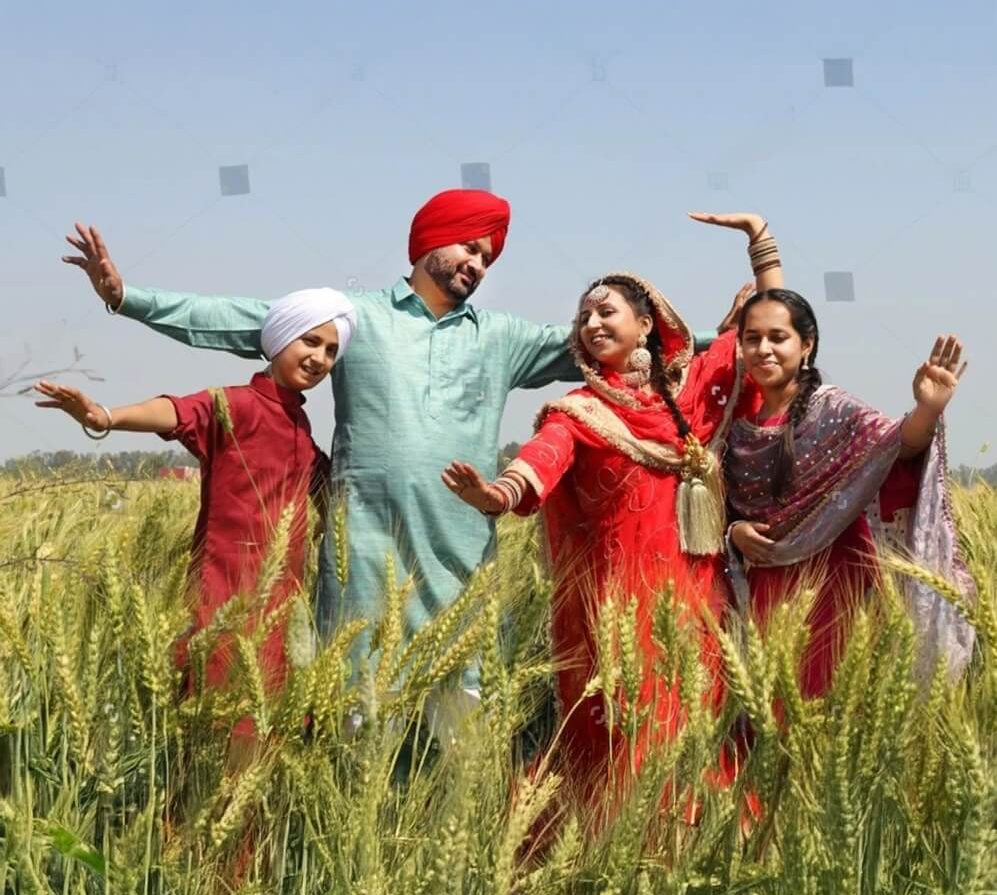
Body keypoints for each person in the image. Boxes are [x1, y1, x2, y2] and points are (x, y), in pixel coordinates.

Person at [61, 194, 736, 715]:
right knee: (358, 715)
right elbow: (245, 319)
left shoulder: (503, 337)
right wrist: (128, 299)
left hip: (460, 553)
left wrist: (735, 334)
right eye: (467, 247)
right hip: (365, 548)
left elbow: (618, 341)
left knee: (461, 718)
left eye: (486, 257)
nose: (476, 262)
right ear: (428, 244)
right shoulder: (355, 317)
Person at [442, 212, 782, 801]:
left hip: (695, 598)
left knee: (696, 725)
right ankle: (618, 846)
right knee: (626, 736)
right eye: (584, 317)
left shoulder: (694, 392)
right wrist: (497, 494)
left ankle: (695, 844)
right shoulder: (578, 411)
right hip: (616, 607)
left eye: (606, 312)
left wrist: (761, 246)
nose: (592, 323)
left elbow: (772, 327)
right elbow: (542, 459)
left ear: (647, 324)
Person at [34, 288, 357, 731]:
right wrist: (107, 417)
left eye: (331, 350)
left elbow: (322, 480)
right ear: (279, 338)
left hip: (283, 602)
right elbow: (176, 412)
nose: (320, 357)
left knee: (267, 728)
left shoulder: (300, 423)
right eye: (310, 341)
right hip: (223, 592)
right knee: (214, 720)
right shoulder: (236, 405)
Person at [724, 289, 976, 696]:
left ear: (806, 345)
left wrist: (927, 409)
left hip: (837, 585)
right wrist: (734, 532)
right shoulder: (736, 430)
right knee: (770, 719)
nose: (763, 349)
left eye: (777, 337)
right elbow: (723, 511)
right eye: (752, 338)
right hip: (766, 589)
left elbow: (897, 447)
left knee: (834, 706)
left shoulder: (834, 411)